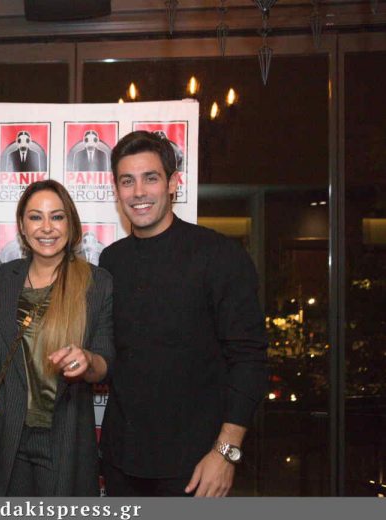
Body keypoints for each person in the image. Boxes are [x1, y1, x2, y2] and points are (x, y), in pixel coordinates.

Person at [99, 131, 268, 497]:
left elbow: (249, 359)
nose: (138, 192)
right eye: (127, 181)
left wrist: (226, 453)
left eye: (151, 178)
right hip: (121, 461)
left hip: (196, 467)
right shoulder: (111, 261)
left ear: (173, 183)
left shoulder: (219, 255)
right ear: (116, 190)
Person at [0, 179, 114, 496]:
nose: (47, 227)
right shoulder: (6, 277)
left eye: (57, 216)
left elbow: (106, 361)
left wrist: (88, 360)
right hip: (6, 436)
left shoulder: (96, 282)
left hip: (63, 436)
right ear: (22, 227)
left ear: (70, 223)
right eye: (36, 217)